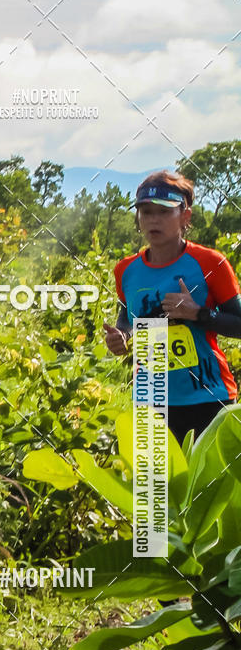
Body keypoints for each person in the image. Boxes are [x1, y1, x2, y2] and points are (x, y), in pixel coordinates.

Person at [104, 170, 241, 446]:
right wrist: (122, 336)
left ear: (185, 216)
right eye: (146, 212)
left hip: (208, 396)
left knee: (212, 487)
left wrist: (198, 314)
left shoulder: (209, 262)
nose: (153, 220)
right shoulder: (126, 270)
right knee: (155, 489)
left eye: (164, 212)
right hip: (150, 398)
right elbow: (127, 317)